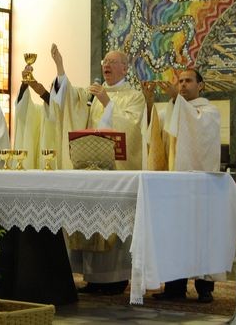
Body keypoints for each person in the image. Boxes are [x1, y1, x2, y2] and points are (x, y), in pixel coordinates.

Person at [48, 44, 145, 295]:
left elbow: (133, 128)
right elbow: (69, 100)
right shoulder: (92, 94)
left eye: (113, 62)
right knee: (90, 221)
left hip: (116, 173)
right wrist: (60, 66)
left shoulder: (133, 96)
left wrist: (108, 103)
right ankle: (92, 277)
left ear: (125, 67)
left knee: (112, 222)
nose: (107, 65)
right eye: (104, 61)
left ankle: (116, 278)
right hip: (92, 170)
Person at [142, 69, 222, 303]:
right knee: (173, 234)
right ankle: (174, 287)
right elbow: (154, 137)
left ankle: (204, 287)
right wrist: (149, 105)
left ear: (201, 85)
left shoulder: (209, 112)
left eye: (188, 81)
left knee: (200, 234)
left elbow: (198, 130)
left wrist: (176, 101)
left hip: (200, 189)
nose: (183, 85)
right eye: (180, 81)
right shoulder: (172, 110)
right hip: (173, 187)